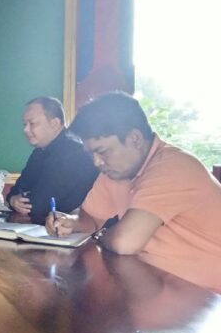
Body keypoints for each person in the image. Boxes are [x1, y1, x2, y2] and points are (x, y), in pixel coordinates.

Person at [48, 92, 221, 293]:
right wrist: (69, 222)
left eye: (103, 151)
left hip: (207, 298)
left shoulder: (173, 166)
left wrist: (101, 235)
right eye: (91, 154)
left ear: (135, 139)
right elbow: (90, 218)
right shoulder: (115, 171)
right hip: (153, 283)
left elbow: (125, 242)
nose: (97, 162)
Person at [7, 97, 98, 224]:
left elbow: (40, 205)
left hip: (78, 230)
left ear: (54, 124)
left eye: (32, 123)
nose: (25, 130)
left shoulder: (72, 152)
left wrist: (21, 198)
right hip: (45, 227)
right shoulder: (40, 151)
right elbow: (16, 190)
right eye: (24, 124)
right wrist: (13, 200)